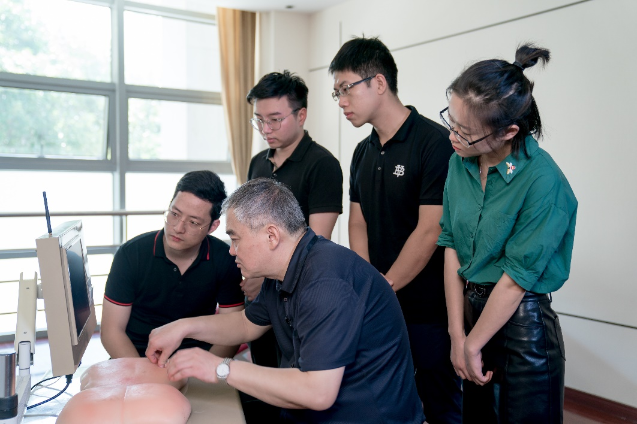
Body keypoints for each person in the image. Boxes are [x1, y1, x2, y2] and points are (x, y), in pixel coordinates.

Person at [145, 178, 424, 424]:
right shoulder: (284, 269)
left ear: (271, 236)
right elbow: (246, 325)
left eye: (236, 239)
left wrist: (220, 367)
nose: (231, 251)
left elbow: (318, 391)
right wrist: (183, 327)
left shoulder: (326, 281)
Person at [437, 44, 577, 423]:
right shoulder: (460, 162)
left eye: (465, 131)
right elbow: (451, 245)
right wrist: (457, 335)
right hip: (472, 317)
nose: (452, 136)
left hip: (522, 330)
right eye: (451, 121)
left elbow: (516, 280)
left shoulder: (543, 180)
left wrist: (471, 344)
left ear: (508, 132)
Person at [329, 36, 462, 423]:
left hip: (428, 308)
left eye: (346, 89)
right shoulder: (362, 152)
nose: (341, 101)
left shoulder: (434, 143)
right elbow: (358, 221)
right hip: (380, 305)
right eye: (336, 93)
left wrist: (381, 287)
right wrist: (368, 281)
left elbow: (430, 229)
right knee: (387, 404)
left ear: (379, 82)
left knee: (440, 406)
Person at [242, 70, 343, 420]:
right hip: (260, 296)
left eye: (274, 119)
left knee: (295, 385)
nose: (266, 129)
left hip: (297, 298)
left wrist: (262, 276)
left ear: (301, 115)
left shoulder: (322, 165)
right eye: (259, 120)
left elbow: (317, 241)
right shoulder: (258, 162)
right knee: (263, 383)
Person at [101, 170, 244, 359]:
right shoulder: (131, 254)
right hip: (135, 356)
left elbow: (231, 332)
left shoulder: (225, 259)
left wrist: (207, 370)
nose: (178, 228)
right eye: (174, 214)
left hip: (197, 360)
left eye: (193, 222)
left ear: (213, 226)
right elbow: (111, 331)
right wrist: (141, 373)